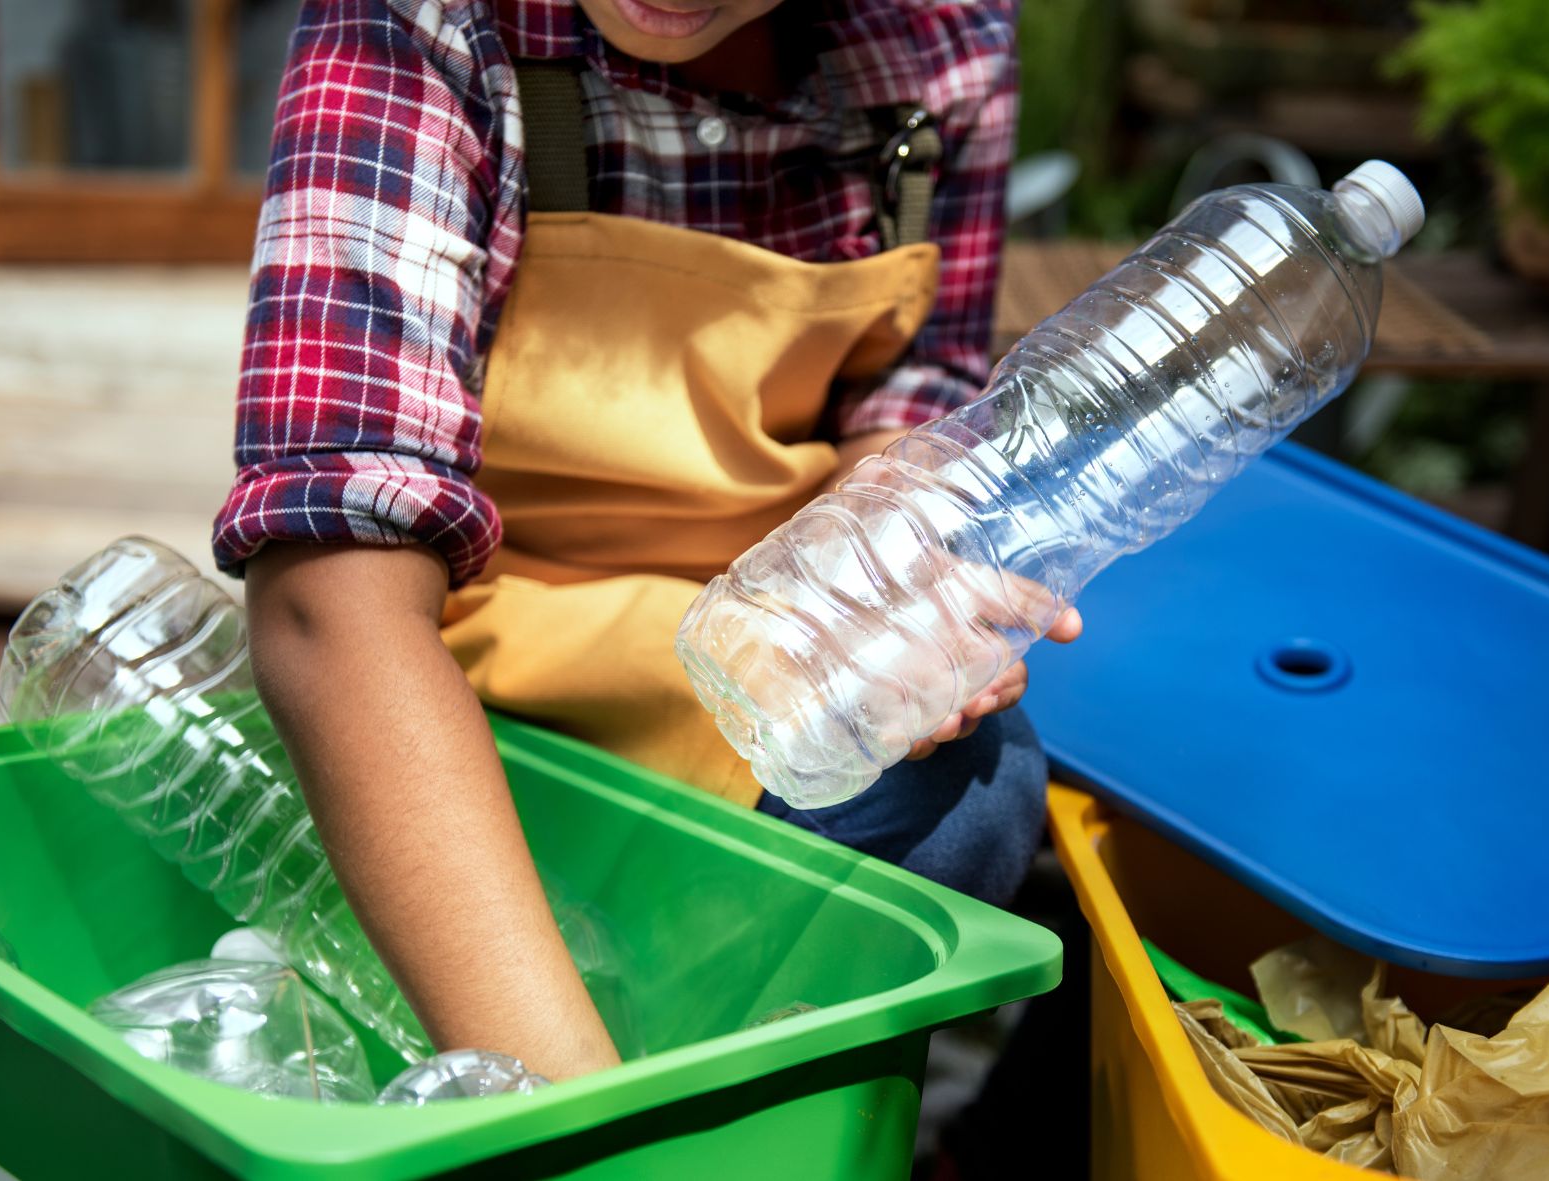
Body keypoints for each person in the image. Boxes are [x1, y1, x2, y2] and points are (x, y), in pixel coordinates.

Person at [213, 0, 1080, 1082]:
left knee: (972, 788)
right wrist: (564, 1111)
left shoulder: (941, 39)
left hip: (750, 640)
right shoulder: (422, 23)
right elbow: (326, 605)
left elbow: (905, 397)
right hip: (458, 650)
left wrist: (889, 584)